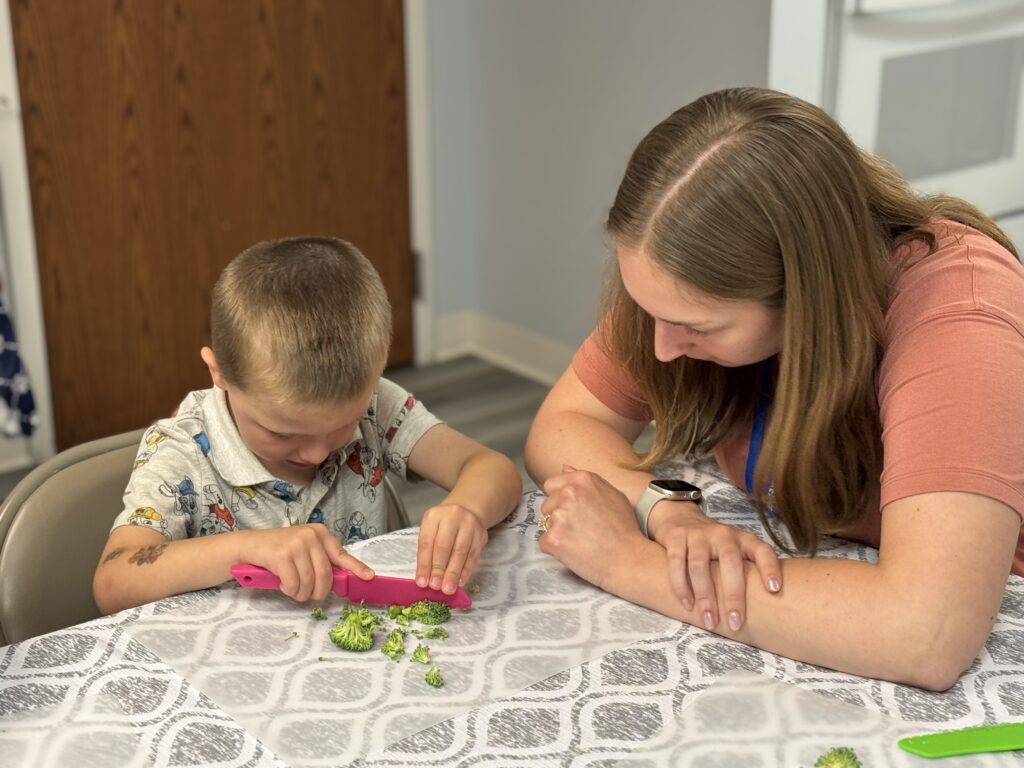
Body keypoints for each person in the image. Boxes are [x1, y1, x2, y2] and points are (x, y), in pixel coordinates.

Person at [525, 87, 1024, 691]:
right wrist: (666, 510)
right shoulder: (679, 278)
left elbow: (926, 633)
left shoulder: (958, 308)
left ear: (806, 294)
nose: (659, 350)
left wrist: (629, 563)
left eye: (696, 327)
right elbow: (563, 426)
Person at [94, 237, 522, 613]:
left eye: (344, 423)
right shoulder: (182, 448)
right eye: (282, 433)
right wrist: (245, 549)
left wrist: (465, 509)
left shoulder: (378, 405)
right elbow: (113, 582)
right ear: (219, 373)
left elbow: (492, 469)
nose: (318, 454)